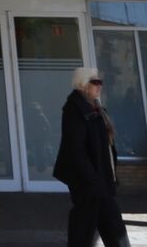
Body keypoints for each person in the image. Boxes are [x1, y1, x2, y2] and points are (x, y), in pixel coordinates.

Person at [54, 67, 131, 247]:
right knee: (91, 222)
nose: (99, 86)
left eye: (100, 82)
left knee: (103, 222)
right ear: (83, 85)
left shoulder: (95, 109)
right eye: (95, 82)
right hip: (89, 180)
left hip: (99, 178)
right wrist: (93, 178)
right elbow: (76, 149)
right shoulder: (76, 110)